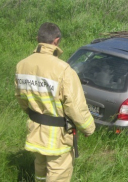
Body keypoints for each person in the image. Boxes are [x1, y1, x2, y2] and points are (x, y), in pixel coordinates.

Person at [15, 22, 96, 182]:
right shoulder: (63, 70)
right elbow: (74, 106)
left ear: (38, 39)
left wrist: (35, 115)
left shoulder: (22, 65)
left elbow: (21, 99)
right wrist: (88, 128)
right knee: (58, 174)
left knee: (40, 171)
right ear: (56, 41)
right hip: (58, 138)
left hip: (36, 132)